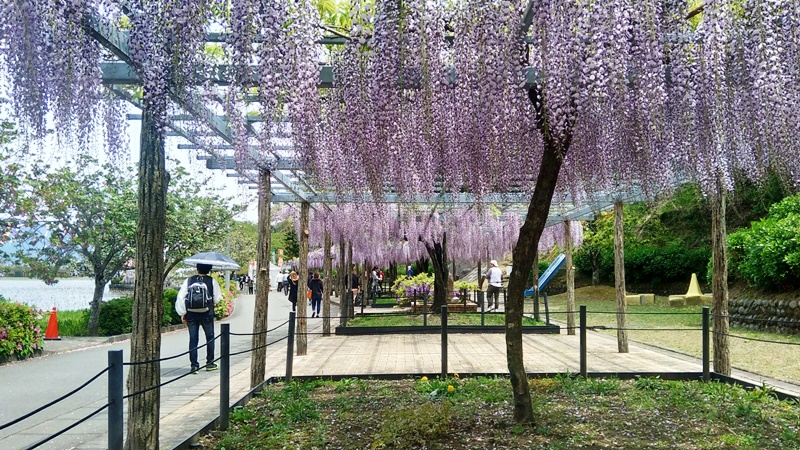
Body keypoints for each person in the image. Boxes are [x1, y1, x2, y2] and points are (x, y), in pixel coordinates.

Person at [176, 263, 222, 373]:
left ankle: (194, 366)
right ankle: (209, 363)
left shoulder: (189, 280)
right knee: (210, 338)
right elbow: (217, 299)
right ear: (209, 269)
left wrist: (182, 313)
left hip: (191, 314)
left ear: (197, 269)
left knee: (193, 339)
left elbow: (181, 297)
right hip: (207, 313)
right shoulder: (212, 281)